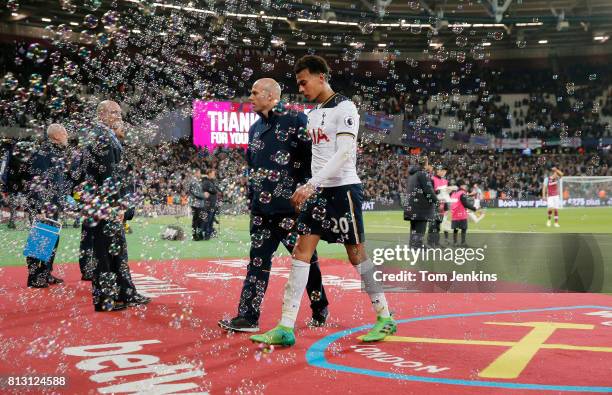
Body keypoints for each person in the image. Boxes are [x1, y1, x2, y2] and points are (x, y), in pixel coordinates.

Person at [250, 55, 395, 346]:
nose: (301, 89)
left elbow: (344, 153)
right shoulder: (314, 113)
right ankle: (286, 327)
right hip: (318, 193)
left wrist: (310, 184)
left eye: (304, 82)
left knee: (356, 255)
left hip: (343, 190)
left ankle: (385, 317)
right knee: (301, 253)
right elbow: (316, 157)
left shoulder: (346, 107)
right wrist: (310, 186)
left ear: (321, 77)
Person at [219, 78, 329, 333]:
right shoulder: (254, 128)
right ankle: (248, 316)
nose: (250, 97)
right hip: (262, 211)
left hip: (291, 210)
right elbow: (253, 168)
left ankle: (319, 306)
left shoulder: (296, 120)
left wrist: (307, 194)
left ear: (271, 96)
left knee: (306, 262)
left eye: (255, 93)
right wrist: (253, 199)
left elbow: (314, 158)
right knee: (257, 263)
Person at [85, 100, 150, 311]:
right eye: (114, 112)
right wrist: (118, 207)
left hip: (105, 206)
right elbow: (108, 177)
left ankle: (125, 293)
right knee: (104, 254)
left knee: (117, 251)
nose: (119, 117)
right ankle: (105, 300)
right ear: (101, 115)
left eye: (120, 113)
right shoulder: (102, 138)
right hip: (106, 207)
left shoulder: (105, 136)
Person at [25, 124, 69, 288]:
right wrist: (40, 208)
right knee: (40, 240)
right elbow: (37, 182)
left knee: (51, 240)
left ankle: (45, 273)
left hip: (52, 205)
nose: (67, 136)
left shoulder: (54, 153)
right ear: (56, 136)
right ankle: (35, 277)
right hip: (44, 206)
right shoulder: (43, 153)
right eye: (64, 133)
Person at [404, 156, 438, 249]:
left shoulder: (412, 174)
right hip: (421, 206)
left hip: (412, 205)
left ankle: (412, 244)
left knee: (414, 226)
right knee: (420, 226)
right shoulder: (422, 174)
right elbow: (428, 190)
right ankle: (418, 245)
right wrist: (437, 201)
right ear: (425, 163)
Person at [427, 164, 452, 247]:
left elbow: (447, 194)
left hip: (442, 205)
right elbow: (428, 192)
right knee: (433, 224)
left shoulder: (446, 181)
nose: (444, 172)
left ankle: (436, 242)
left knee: (438, 224)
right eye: (443, 170)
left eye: (445, 171)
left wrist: (449, 191)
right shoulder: (432, 179)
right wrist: (437, 192)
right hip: (433, 205)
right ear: (438, 170)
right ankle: (430, 243)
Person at [450, 179, 480, 246]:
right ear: (461, 185)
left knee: (456, 229)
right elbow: (465, 203)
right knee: (464, 228)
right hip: (461, 213)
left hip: (454, 214)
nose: (465, 186)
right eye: (464, 185)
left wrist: (470, 195)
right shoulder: (462, 193)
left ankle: (455, 243)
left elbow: (460, 200)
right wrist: (474, 208)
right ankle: (463, 243)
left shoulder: (454, 193)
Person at [201, 168, 220, 240]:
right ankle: (206, 235)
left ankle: (209, 234)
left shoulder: (212, 182)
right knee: (208, 220)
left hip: (212, 204)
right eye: (213, 173)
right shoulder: (206, 182)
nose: (214, 175)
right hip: (208, 204)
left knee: (211, 220)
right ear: (209, 174)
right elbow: (212, 191)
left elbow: (216, 191)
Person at [188, 168, 205, 241]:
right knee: (196, 220)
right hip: (195, 204)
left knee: (200, 220)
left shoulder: (198, 181)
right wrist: (204, 195)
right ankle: (194, 236)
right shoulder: (193, 182)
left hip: (199, 204)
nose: (200, 174)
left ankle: (199, 235)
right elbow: (196, 193)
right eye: (199, 173)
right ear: (195, 173)